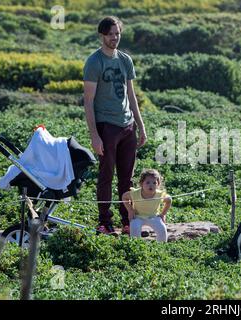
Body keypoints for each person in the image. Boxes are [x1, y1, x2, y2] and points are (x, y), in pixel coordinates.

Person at [83, 16, 147, 235]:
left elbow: (131, 94)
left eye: (117, 33)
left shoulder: (125, 60)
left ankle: (128, 220)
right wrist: (94, 135)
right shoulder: (94, 62)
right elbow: (88, 101)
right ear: (102, 35)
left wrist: (140, 125)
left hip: (127, 125)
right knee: (106, 176)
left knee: (126, 178)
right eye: (110, 34)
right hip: (106, 126)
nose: (114, 38)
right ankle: (104, 221)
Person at [122, 169, 172, 242]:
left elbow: (169, 200)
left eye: (154, 183)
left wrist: (163, 214)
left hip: (153, 216)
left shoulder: (159, 195)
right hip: (137, 216)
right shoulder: (135, 194)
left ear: (158, 184)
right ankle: (136, 247)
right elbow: (124, 197)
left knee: (162, 229)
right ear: (141, 183)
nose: (151, 185)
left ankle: (162, 247)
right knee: (135, 228)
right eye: (147, 182)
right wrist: (130, 210)